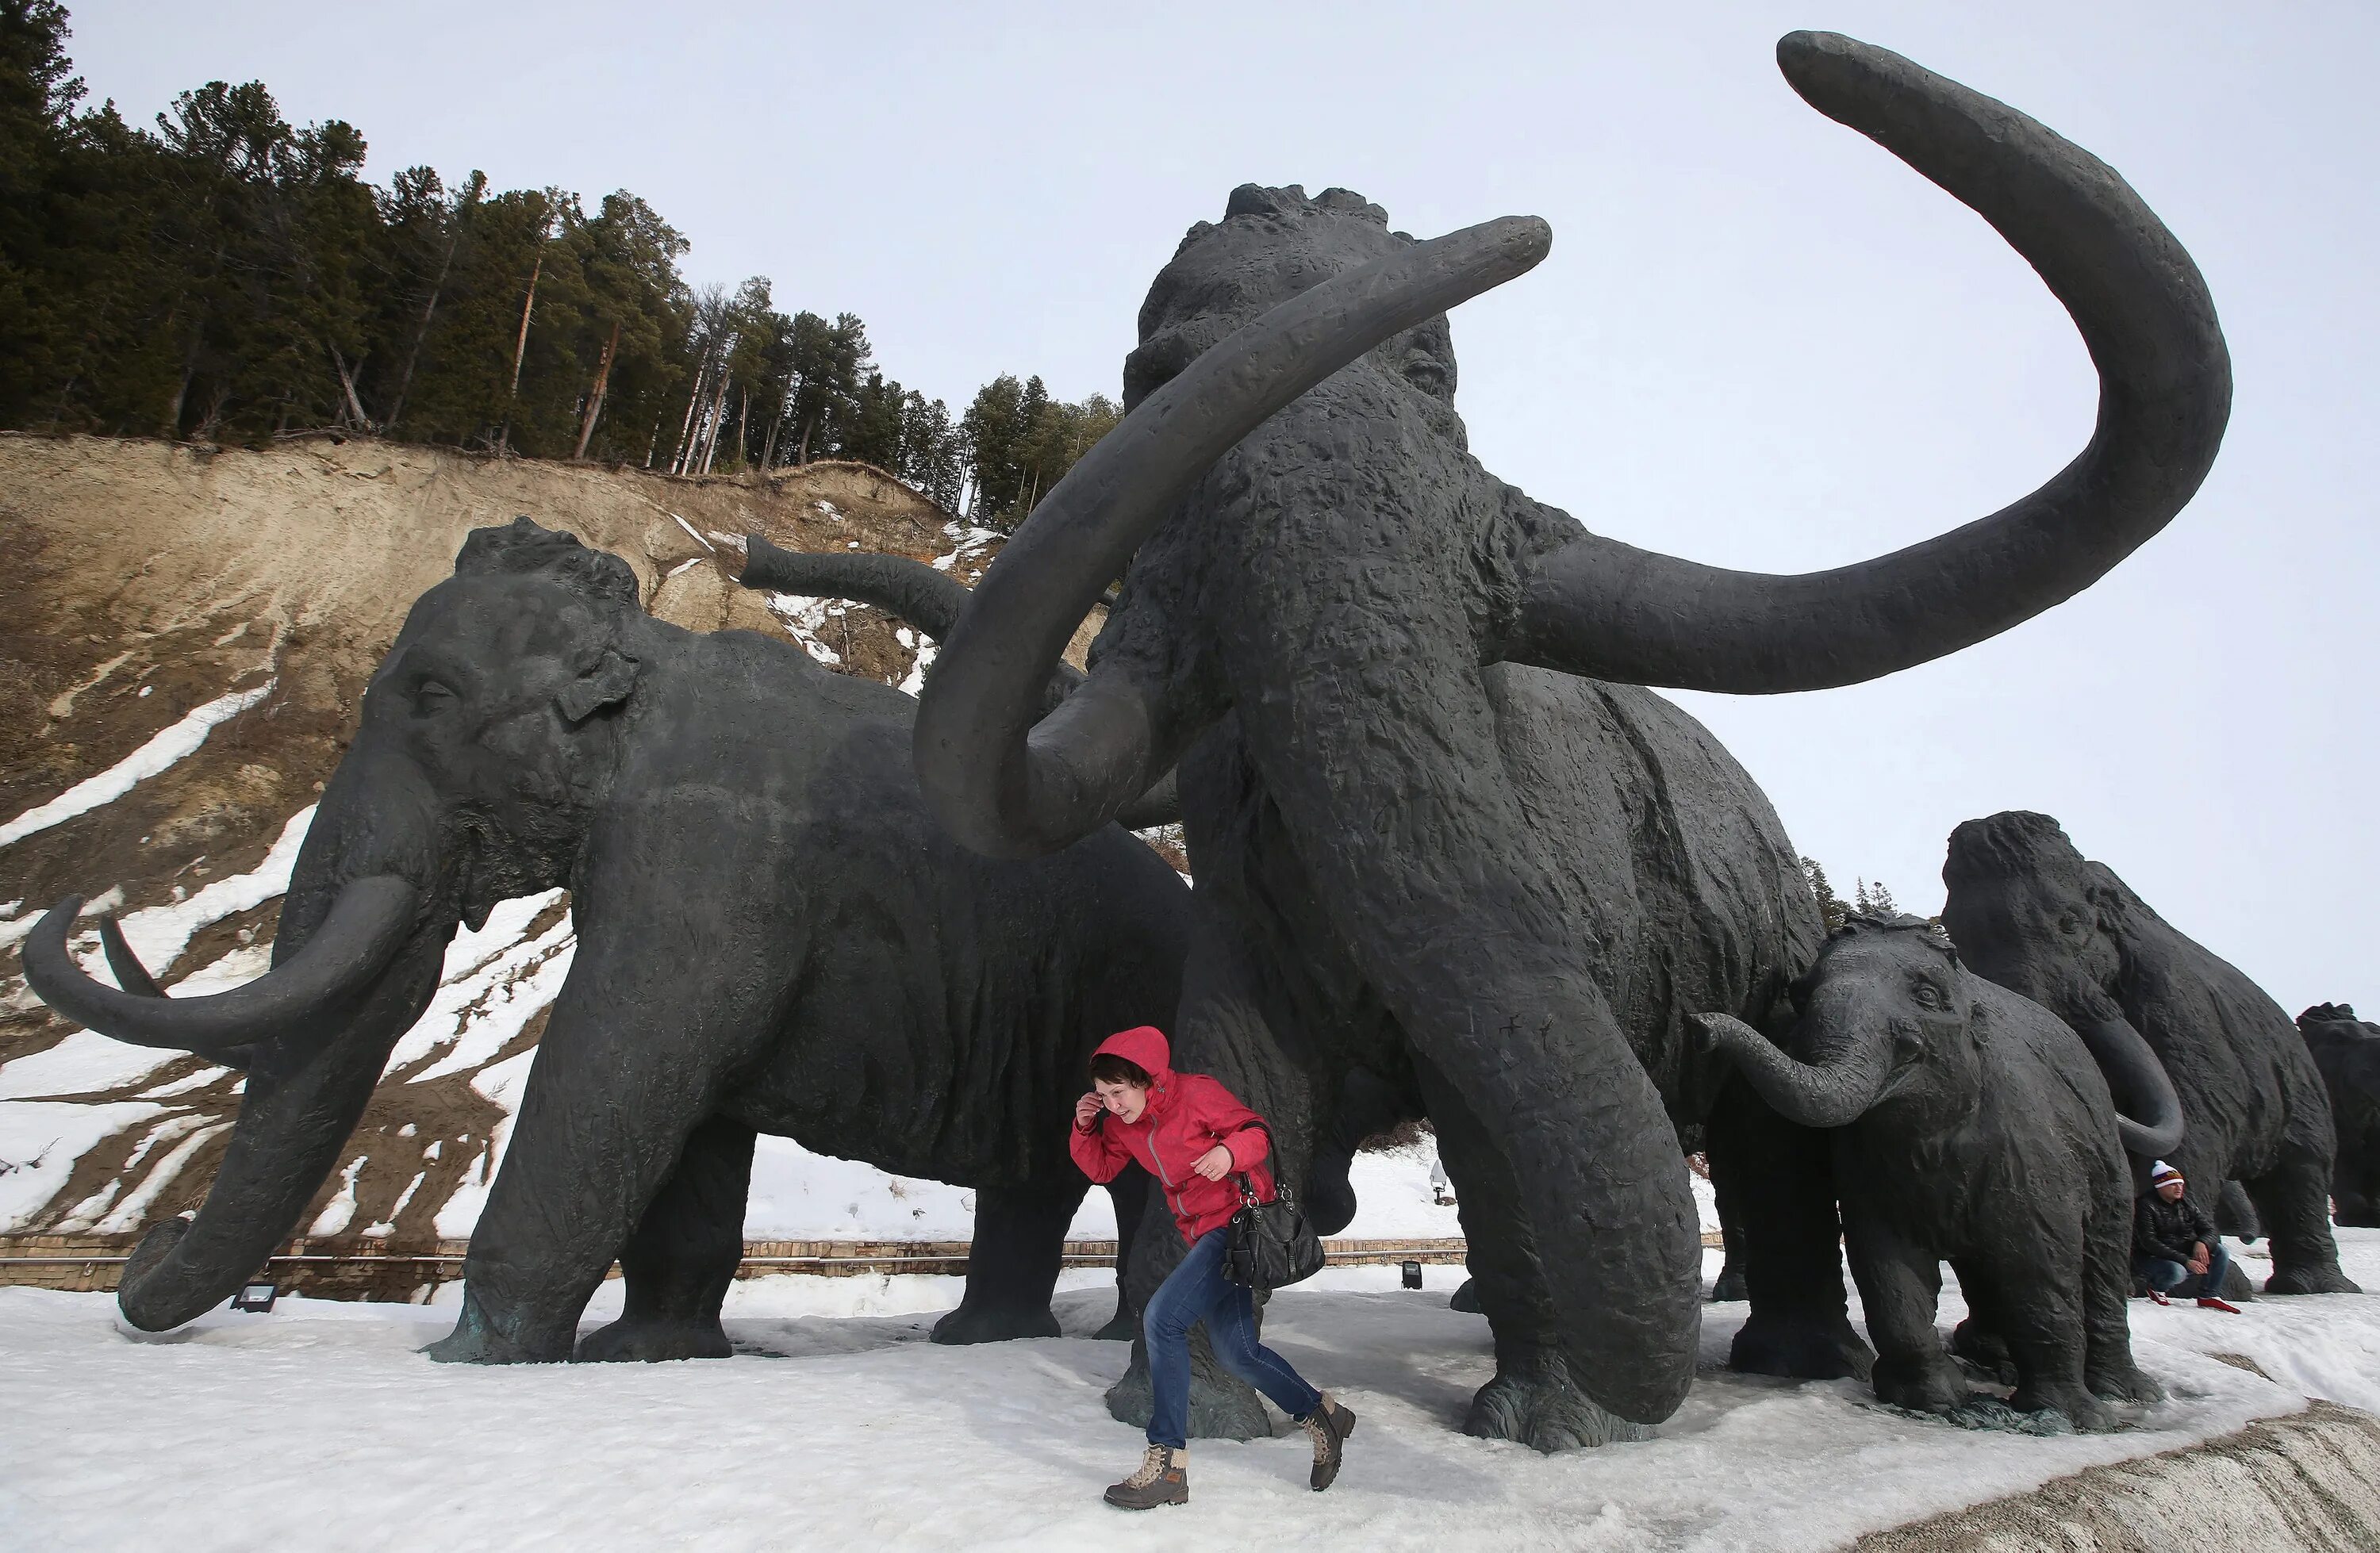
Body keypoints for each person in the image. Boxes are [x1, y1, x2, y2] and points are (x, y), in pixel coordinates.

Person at [1069, 1025, 1356, 1510]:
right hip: (1206, 1234)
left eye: (1119, 1092)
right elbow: (1101, 1169)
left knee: (1163, 1319)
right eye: (1103, 1094)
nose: (1113, 1104)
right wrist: (1083, 1126)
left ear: (1148, 1080)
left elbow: (1257, 1133)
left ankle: (1167, 1465)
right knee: (1238, 1353)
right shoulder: (1121, 1124)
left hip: (1237, 1227)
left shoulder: (1196, 1095)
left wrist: (1229, 1152)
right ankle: (1323, 1413)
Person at [2132, 1160, 2240, 1313]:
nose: (2179, 1188)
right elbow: (2149, 1242)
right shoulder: (2145, 1205)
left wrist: (2202, 1242)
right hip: (2150, 1256)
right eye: (2173, 1184)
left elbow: (2209, 1229)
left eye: (2180, 1184)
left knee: (2220, 1251)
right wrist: (2186, 1261)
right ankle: (2156, 1288)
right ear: (2160, 1186)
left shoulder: (2186, 1204)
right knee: (2178, 1271)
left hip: (2177, 1251)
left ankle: (2208, 1295)